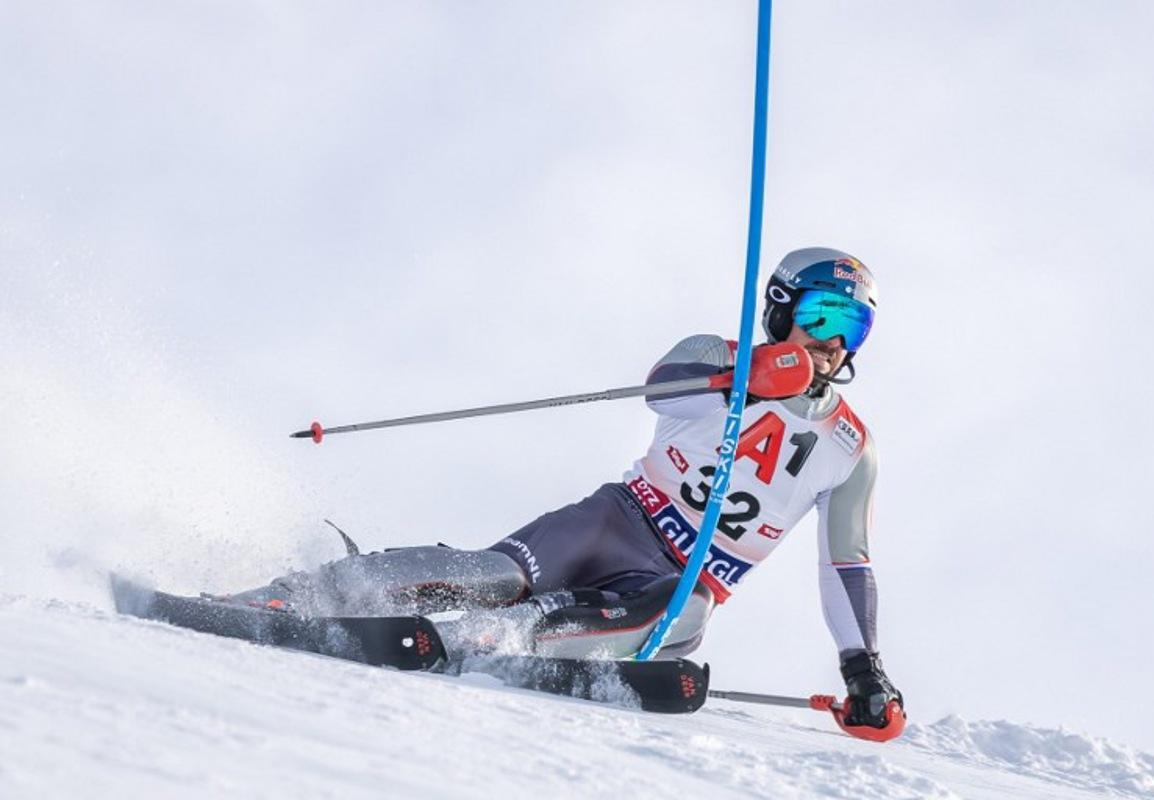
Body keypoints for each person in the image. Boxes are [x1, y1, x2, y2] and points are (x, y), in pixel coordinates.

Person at [225, 247, 903, 735]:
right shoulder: (720, 357)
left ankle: (488, 644)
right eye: (821, 318)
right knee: (491, 574)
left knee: (685, 616)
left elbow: (847, 563)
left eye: (852, 329)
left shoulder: (850, 448)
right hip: (616, 521)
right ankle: (301, 591)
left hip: (681, 578)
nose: (833, 345)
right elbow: (662, 388)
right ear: (781, 311)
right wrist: (752, 377)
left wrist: (863, 670)